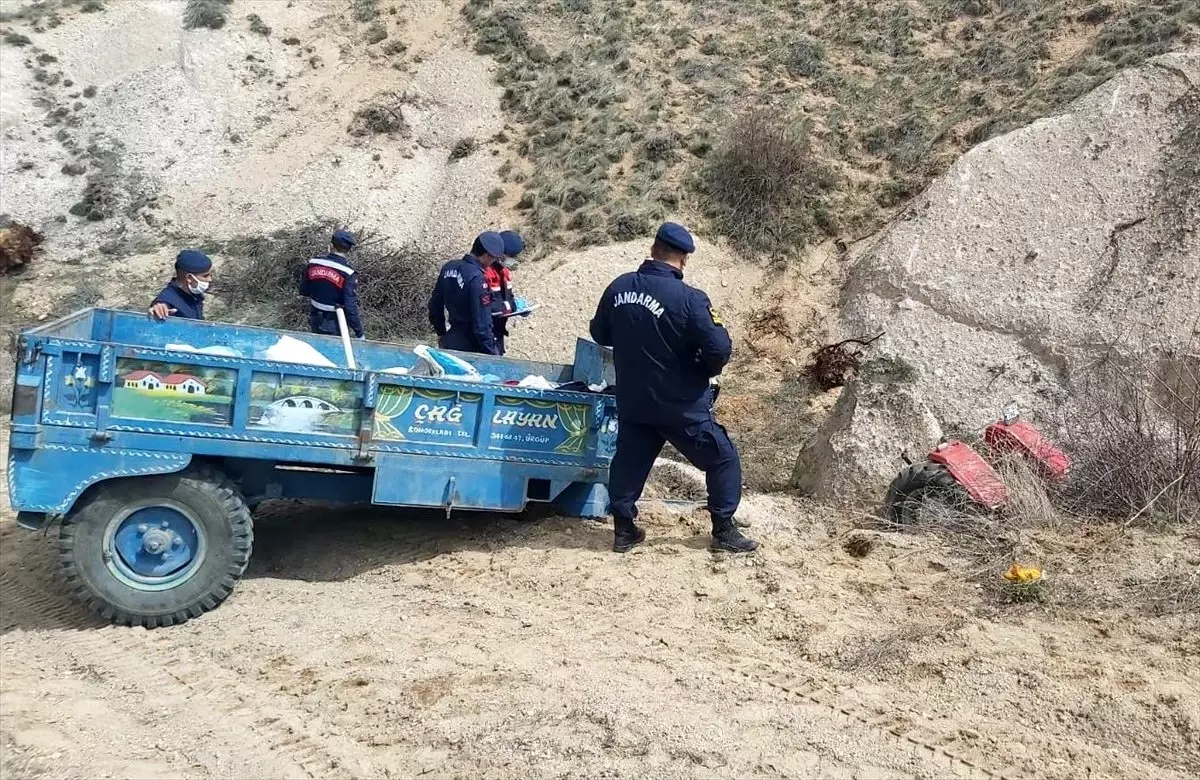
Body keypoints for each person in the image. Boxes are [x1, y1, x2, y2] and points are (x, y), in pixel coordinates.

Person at [589, 222, 758, 554]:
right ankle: (723, 529)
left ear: (653, 250)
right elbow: (719, 349)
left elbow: (600, 334)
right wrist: (701, 368)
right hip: (679, 404)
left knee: (629, 461)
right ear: (684, 260)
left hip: (634, 399)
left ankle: (623, 530)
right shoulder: (690, 300)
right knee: (723, 458)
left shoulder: (618, 288)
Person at [428, 231, 504, 355]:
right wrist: (493, 353)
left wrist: (441, 333)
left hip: (450, 341)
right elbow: (482, 325)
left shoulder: (449, 267)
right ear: (487, 255)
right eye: (494, 259)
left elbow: (434, 306)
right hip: (473, 349)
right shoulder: (477, 278)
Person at [300, 229, 364, 339]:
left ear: (331, 246)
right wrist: (359, 332)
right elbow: (350, 306)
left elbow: (304, 290)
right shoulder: (348, 273)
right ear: (348, 250)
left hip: (315, 315)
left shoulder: (313, 263)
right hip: (335, 321)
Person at [484, 229, 525, 354]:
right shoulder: (486, 272)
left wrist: (517, 307)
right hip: (486, 331)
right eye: (512, 256)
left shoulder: (504, 272)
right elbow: (487, 304)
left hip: (498, 331)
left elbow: (509, 296)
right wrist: (509, 307)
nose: (514, 260)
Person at [148, 249, 213, 320]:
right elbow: (162, 305)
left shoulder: (193, 293)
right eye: (205, 276)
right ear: (189, 278)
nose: (210, 279)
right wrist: (160, 308)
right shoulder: (169, 299)